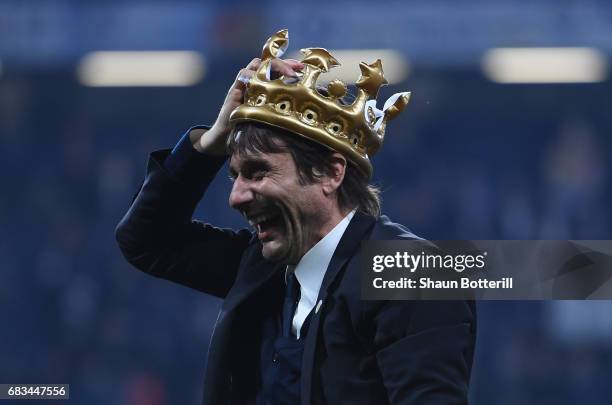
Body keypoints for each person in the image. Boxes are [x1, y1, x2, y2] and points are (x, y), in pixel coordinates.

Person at [116, 29, 476, 405]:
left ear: (330, 173)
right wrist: (211, 141)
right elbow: (145, 241)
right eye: (234, 175)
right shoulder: (263, 268)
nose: (235, 196)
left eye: (257, 172)